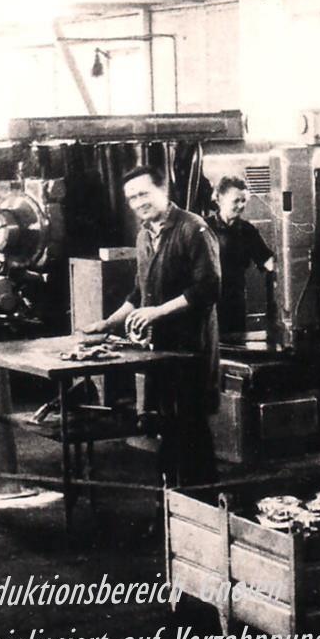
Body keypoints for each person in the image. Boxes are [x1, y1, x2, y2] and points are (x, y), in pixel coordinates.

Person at [81, 165, 221, 487]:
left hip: (191, 348)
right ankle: (170, 501)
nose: (138, 202)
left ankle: (203, 501)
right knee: (166, 426)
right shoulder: (144, 235)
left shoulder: (193, 229)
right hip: (159, 350)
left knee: (192, 428)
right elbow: (138, 291)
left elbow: (208, 289)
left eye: (143, 193)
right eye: (131, 198)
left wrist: (157, 312)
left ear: (163, 190)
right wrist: (109, 322)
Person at [205, 176, 275, 335]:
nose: (241, 206)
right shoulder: (204, 227)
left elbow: (267, 261)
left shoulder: (248, 231)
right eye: (236, 201)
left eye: (243, 201)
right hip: (208, 305)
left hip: (235, 304)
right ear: (220, 199)